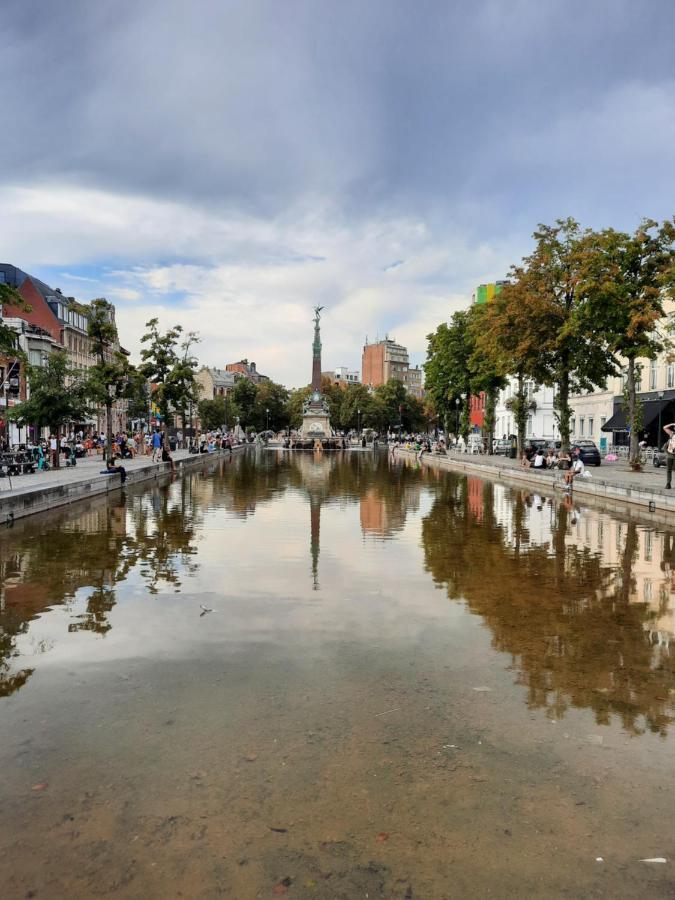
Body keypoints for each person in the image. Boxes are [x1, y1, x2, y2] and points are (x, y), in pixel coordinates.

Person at [662, 422, 675, 489]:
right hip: (670, 454)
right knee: (668, 470)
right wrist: (672, 424)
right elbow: (664, 427)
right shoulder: (672, 434)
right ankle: (668, 483)